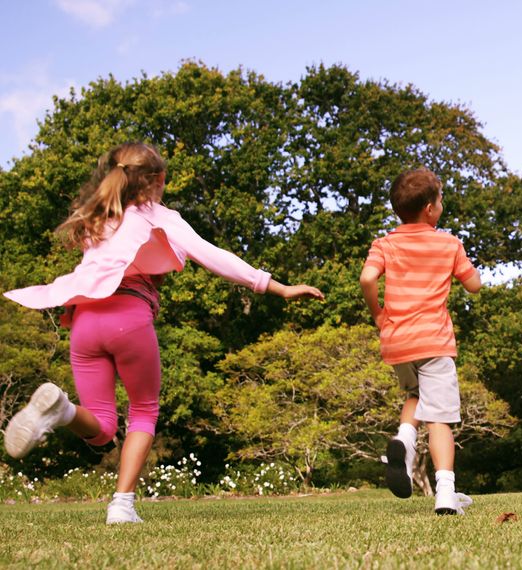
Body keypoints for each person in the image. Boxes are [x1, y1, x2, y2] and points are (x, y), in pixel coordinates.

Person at [2, 142, 324, 524]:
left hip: (84, 322)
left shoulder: (97, 218)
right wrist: (277, 286)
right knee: (143, 410)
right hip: (128, 318)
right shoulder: (157, 215)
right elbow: (213, 256)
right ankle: (121, 506)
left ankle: (63, 410)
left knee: (102, 428)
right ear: (158, 180)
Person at [359, 167, 481, 516]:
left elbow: (367, 279)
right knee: (440, 418)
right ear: (430, 208)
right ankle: (445, 493)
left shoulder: (385, 243)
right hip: (433, 341)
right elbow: (474, 285)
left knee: (416, 395)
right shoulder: (448, 243)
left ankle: (404, 439)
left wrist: (379, 315)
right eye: (440, 199)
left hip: (397, 341)